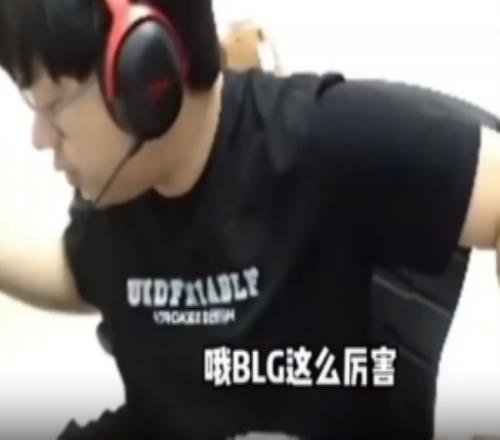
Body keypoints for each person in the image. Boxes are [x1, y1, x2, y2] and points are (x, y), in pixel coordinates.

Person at [0, 0, 499, 438]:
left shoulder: (321, 142)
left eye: (52, 106)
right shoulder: (120, 196)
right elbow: (83, 274)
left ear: (145, 76)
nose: (40, 137)